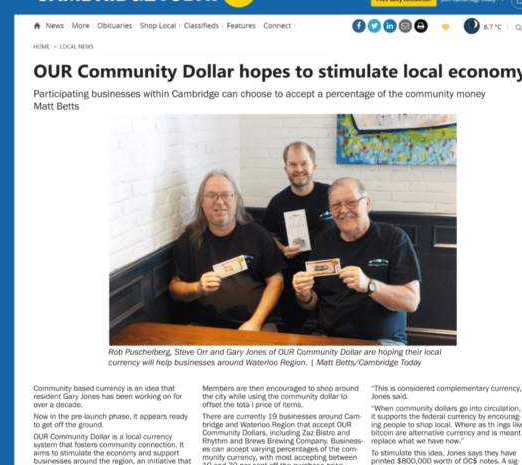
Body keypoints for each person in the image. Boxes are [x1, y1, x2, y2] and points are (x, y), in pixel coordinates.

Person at [292, 177, 421, 344]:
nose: (343, 210)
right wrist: (304, 294)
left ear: (367, 203)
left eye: (351, 202)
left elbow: (411, 302)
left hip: (383, 341)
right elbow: (311, 303)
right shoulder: (323, 242)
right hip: (328, 337)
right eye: (336, 205)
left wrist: (369, 285)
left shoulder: (394, 238)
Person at [170, 170, 285, 332]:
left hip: (257, 325)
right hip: (204, 327)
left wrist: (255, 322)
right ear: (201, 202)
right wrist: (198, 288)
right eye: (211, 196)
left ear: (236, 199)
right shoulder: (189, 239)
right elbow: (175, 288)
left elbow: (276, 281)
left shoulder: (258, 234)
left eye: (226, 195)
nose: (219, 201)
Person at [261, 142, 335, 332]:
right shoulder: (278, 202)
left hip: (330, 274)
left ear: (314, 167)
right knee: (293, 329)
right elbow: (266, 234)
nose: (299, 169)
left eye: (304, 163)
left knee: (332, 327)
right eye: (293, 164)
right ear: (286, 168)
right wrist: (283, 248)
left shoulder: (331, 195)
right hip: (294, 276)